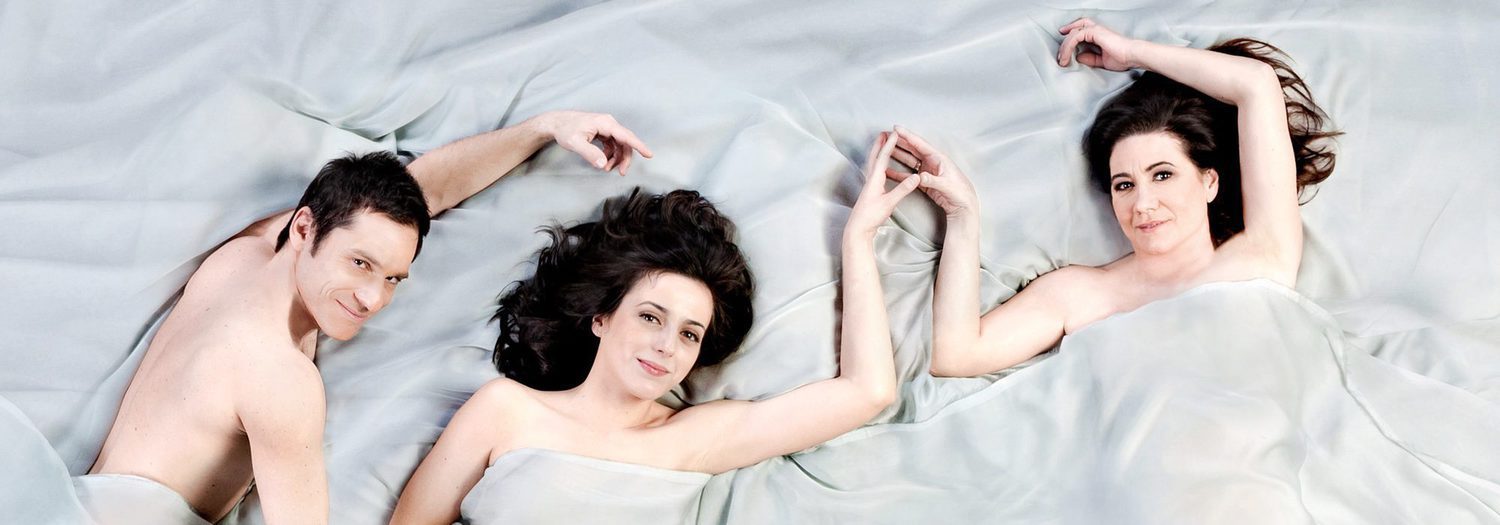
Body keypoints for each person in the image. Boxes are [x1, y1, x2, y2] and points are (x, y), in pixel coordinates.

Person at [84, 110, 653, 524]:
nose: (372, 299)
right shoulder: (281, 382)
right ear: (305, 228)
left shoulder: (253, 252)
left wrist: (544, 128)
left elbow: (411, 195)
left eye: (393, 278)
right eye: (359, 265)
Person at [389, 132, 921, 524]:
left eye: (690, 334)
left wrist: (859, 239)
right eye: (650, 317)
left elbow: (868, 391)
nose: (667, 346)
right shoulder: (506, 410)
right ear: (601, 317)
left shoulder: (693, 439)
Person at [907, 18, 1339, 377]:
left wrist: (1132, 52)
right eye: (1124, 185)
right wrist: (962, 217)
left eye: (1163, 175)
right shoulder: (1083, 294)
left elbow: (1256, 83)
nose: (1143, 204)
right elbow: (958, 356)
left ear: (1209, 182)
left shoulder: (1260, 256)